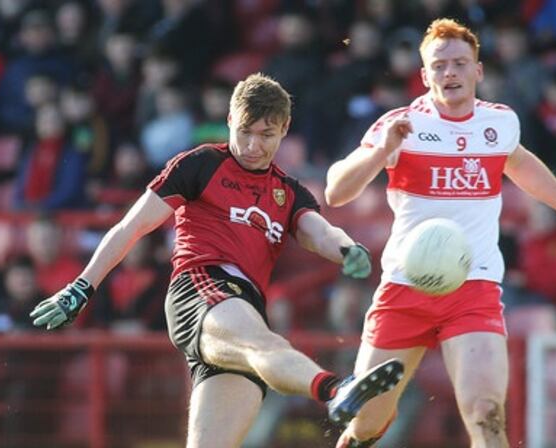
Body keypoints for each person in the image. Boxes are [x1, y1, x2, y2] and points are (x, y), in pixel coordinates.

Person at [28, 73, 404, 448]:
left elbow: (319, 232)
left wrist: (346, 249)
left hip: (244, 310)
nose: (254, 145)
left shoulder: (289, 193)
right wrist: (82, 286)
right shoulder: (201, 164)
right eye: (245, 132)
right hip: (200, 290)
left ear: (285, 129)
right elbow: (131, 227)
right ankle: (337, 390)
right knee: (264, 344)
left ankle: (337, 391)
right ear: (229, 120)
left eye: (267, 135)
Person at [325, 18, 556, 448]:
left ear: (478, 71)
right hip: (404, 289)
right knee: (368, 424)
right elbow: (336, 191)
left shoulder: (499, 123)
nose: (450, 73)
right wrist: (380, 152)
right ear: (425, 75)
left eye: (460, 63)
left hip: (474, 287)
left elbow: (518, 162)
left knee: (487, 413)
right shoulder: (401, 124)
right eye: (440, 65)